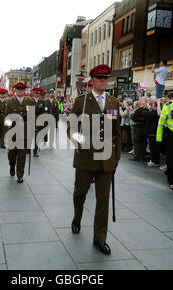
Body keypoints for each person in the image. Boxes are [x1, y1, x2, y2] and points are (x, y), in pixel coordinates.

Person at [67, 64, 121, 255]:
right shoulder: (81, 102)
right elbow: (72, 128)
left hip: (106, 158)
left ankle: (100, 238)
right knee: (80, 193)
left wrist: (117, 156)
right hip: (86, 157)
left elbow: (117, 132)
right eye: (99, 78)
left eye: (105, 78)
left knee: (103, 200)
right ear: (92, 80)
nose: (103, 81)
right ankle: (77, 217)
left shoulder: (114, 103)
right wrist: (80, 142)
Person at [4, 83, 35, 183]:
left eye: (22, 89)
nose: (20, 90)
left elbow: (32, 118)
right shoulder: (10, 102)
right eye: (18, 89)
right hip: (13, 132)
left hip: (25, 133)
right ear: (15, 90)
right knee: (11, 154)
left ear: (25, 90)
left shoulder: (30, 101)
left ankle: (20, 174)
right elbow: (7, 116)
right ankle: (12, 165)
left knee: (22, 155)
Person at [32, 87, 46, 157]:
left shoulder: (42, 102)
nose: (36, 94)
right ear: (33, 93)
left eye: (38, 93)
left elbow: (43, 112)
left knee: (37, 136)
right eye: (35, 92)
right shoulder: (29, 100)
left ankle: (35, 150)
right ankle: (27, 149)